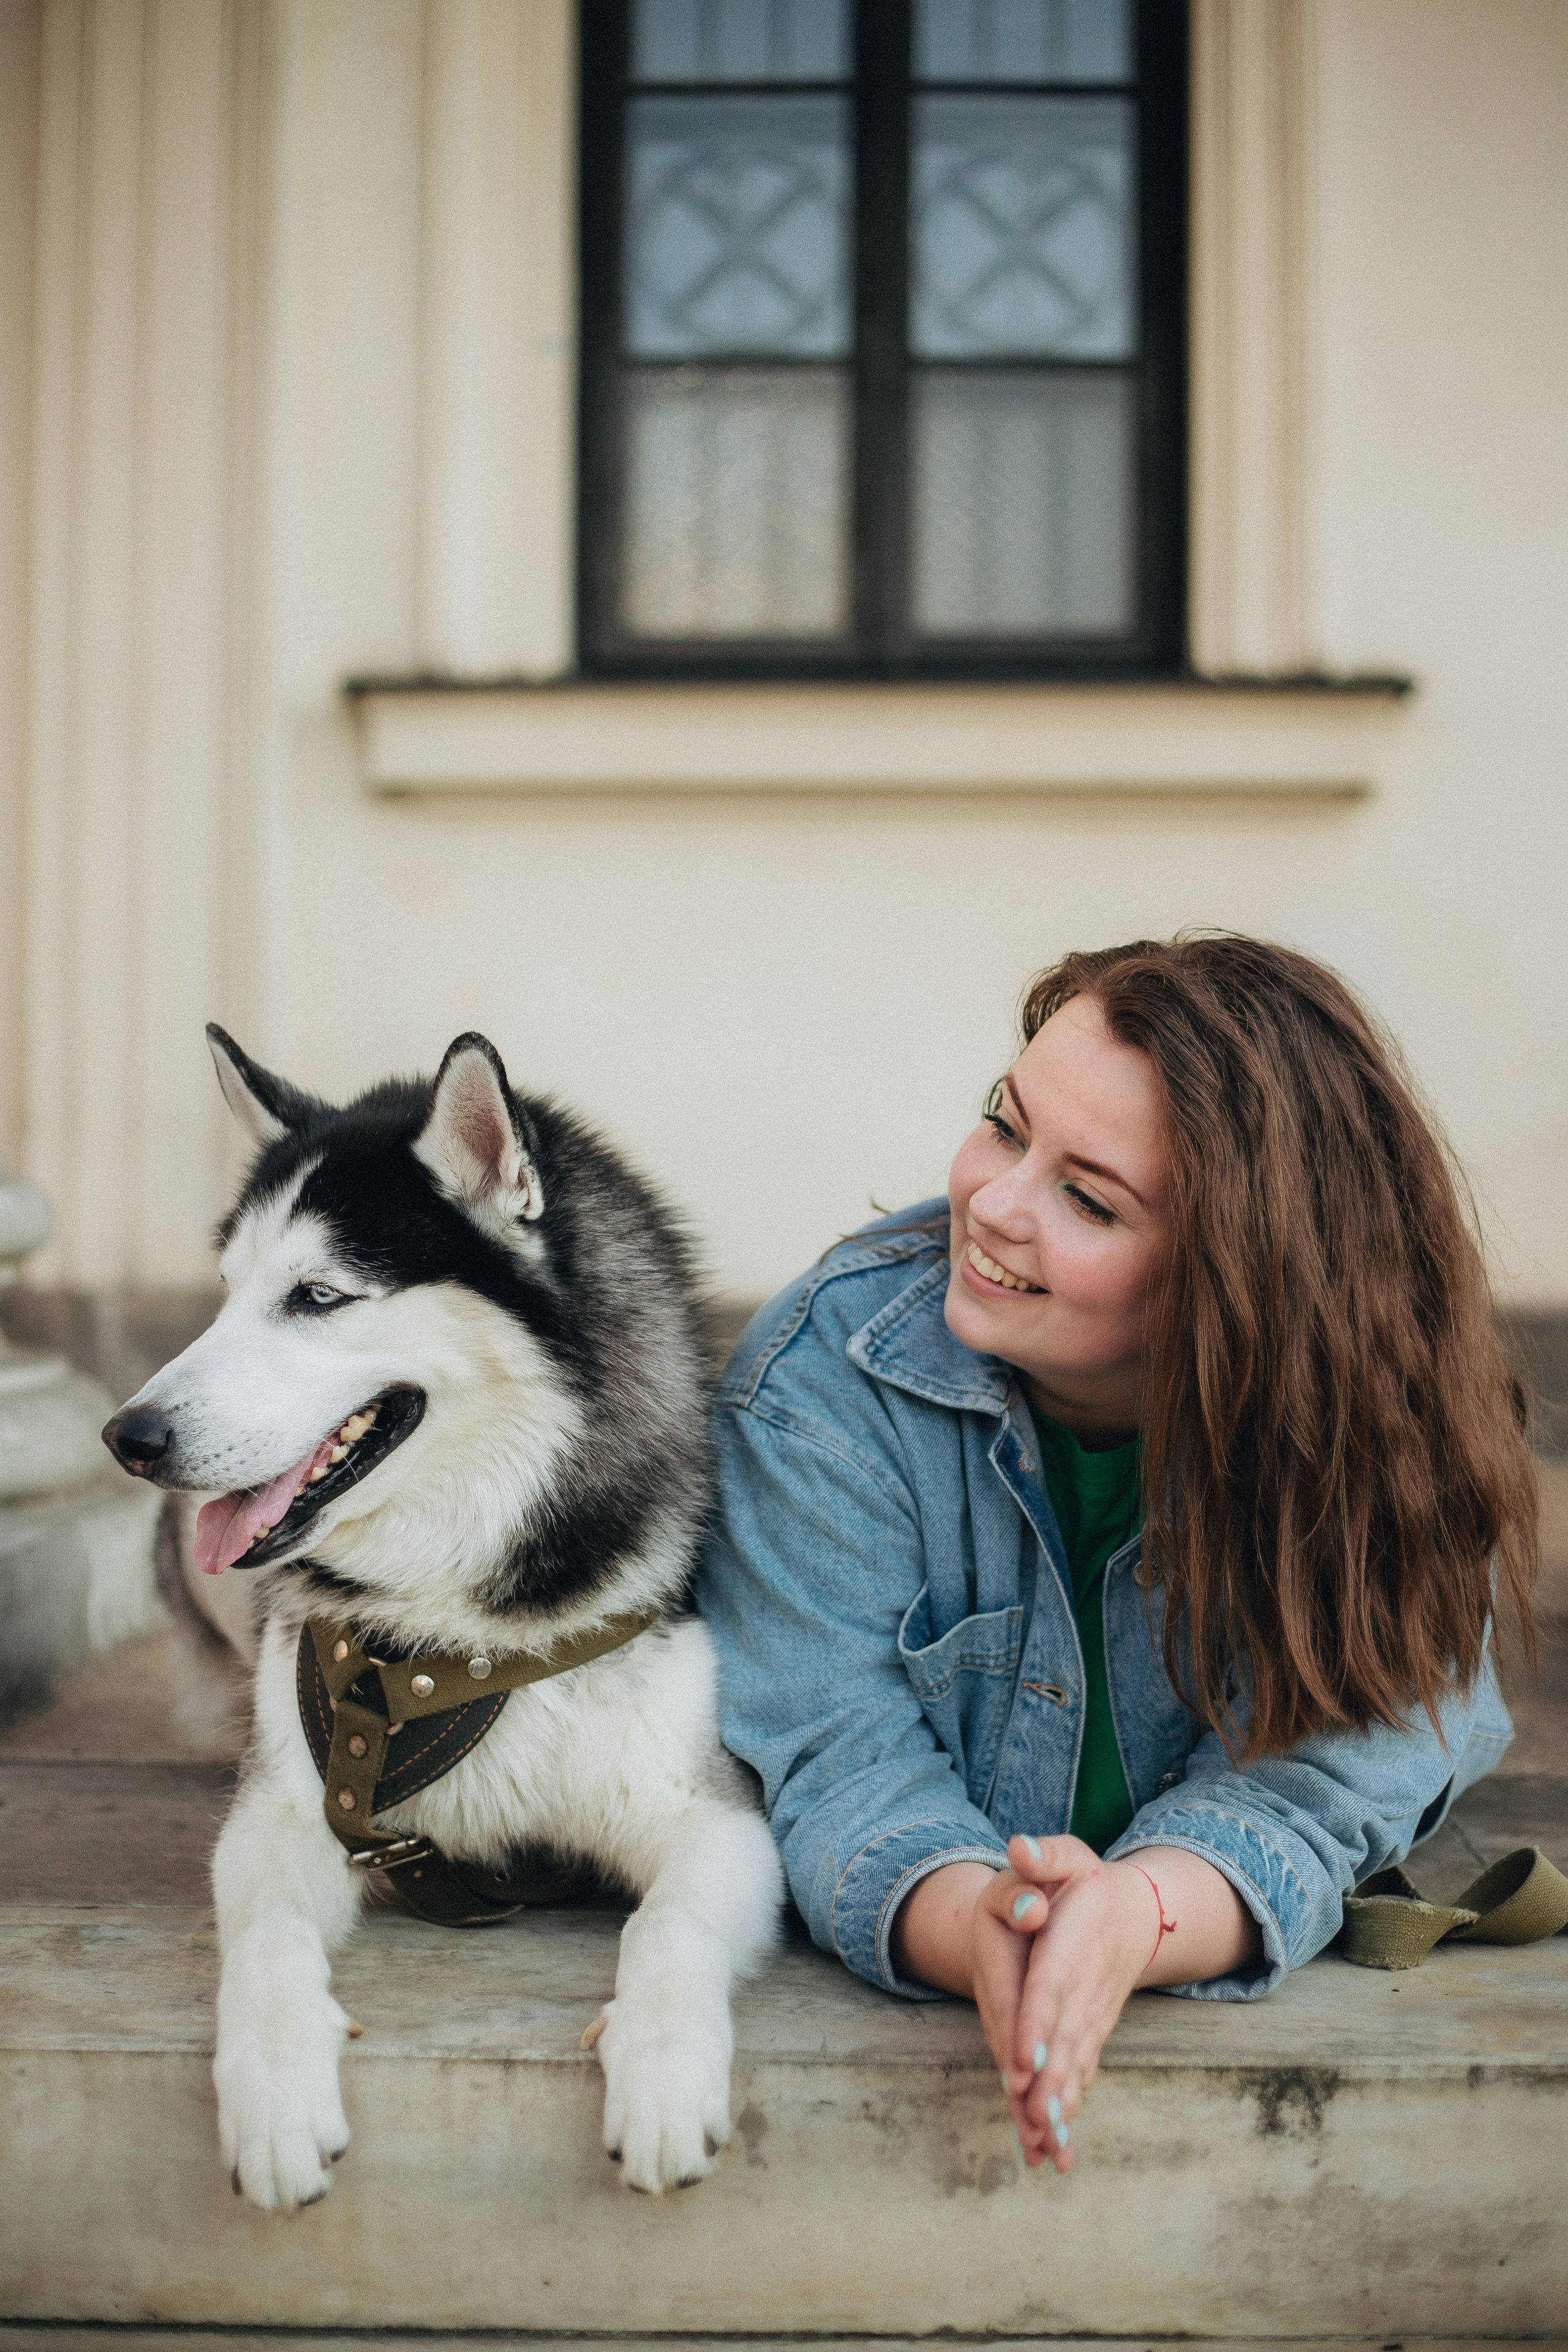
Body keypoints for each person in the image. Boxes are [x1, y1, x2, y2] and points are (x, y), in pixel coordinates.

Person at [695, 935, 1537, 2175]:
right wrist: (979, 1923)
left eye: (1087, 1199)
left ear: (1238, 1280)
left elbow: (1332, 1779)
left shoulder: (1378, 1441)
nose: (990, 1203)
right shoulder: (823, 1384)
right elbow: (833, 1757)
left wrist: (1137, 1918)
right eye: (1003, 1124)